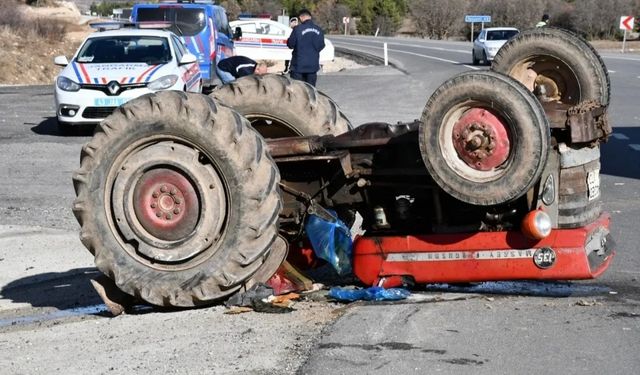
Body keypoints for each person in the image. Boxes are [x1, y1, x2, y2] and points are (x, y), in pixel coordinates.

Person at [286, 9, 325, 87]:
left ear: (301, 17)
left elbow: (290, 44)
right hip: (312, 65)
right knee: (311, 90)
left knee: (298, 90)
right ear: (310, 17)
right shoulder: (319, 30)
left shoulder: (297, 29)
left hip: (298, 65)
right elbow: (321, 45)